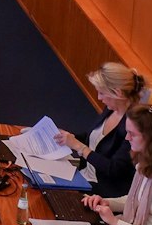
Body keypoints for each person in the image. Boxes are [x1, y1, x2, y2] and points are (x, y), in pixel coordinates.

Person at [56, 63, 147, 200]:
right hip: (84, 174)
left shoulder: (133, 127)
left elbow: (114, 169)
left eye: (102, 93)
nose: (99, 98)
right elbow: (94, 138)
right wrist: (69, 138)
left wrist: (79, 147)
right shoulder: (111, 108)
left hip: (103, 190)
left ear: (118, 93)